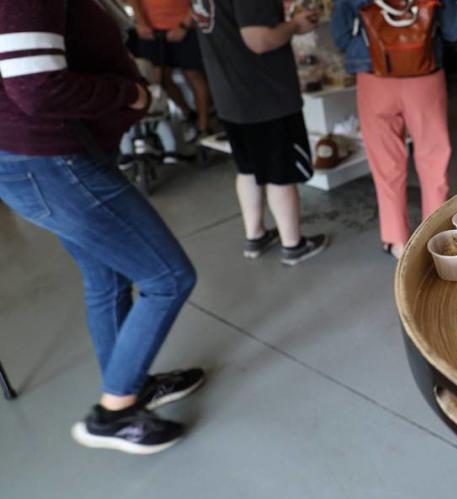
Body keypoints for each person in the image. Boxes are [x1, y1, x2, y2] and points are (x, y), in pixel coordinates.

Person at [0, 0, 205, 454]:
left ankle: (130, 384)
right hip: (51, 159)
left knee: (105, 276)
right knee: (167, 277)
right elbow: (34, 87)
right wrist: (129, 95)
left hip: (46, 156)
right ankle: (113, 414)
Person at [193, 0, 330, 266]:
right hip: (265, 96)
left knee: (248, 169)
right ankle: (294, 245)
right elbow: (258, 39)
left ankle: (255, 235)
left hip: (229, 95)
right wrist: (295, 25)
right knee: (280, 173)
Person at [331, 0, 457, 259]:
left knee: (386, 163)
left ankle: (397, 240)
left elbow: (341, 36)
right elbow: (453, 32)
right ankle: (433, 237)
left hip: (375, 77)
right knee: (433, 161)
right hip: (424, 76)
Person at [128, 0, 212, 139]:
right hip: (152, 29)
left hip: (185, 26)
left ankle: (203, 125)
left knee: (194, 74)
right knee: (160, 78)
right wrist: (141, 22)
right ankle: (188, 114)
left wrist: (185, 25)